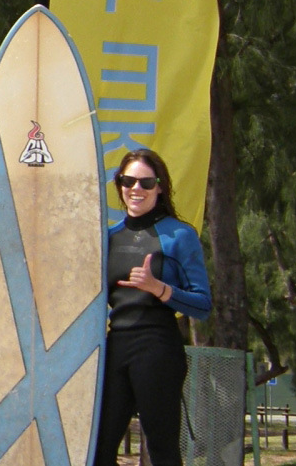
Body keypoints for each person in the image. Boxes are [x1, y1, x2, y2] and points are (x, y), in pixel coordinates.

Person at [92, 149, 211, 466]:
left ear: (160, 187)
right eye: (128, 180)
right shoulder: (107, 237)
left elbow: (203, 305)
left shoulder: (180, 235)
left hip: (158, 347)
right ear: (119, 184)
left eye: (146, 182)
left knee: (162, 450)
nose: (136, 189)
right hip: (116, 345)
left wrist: (159, 288)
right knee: (97, 450)